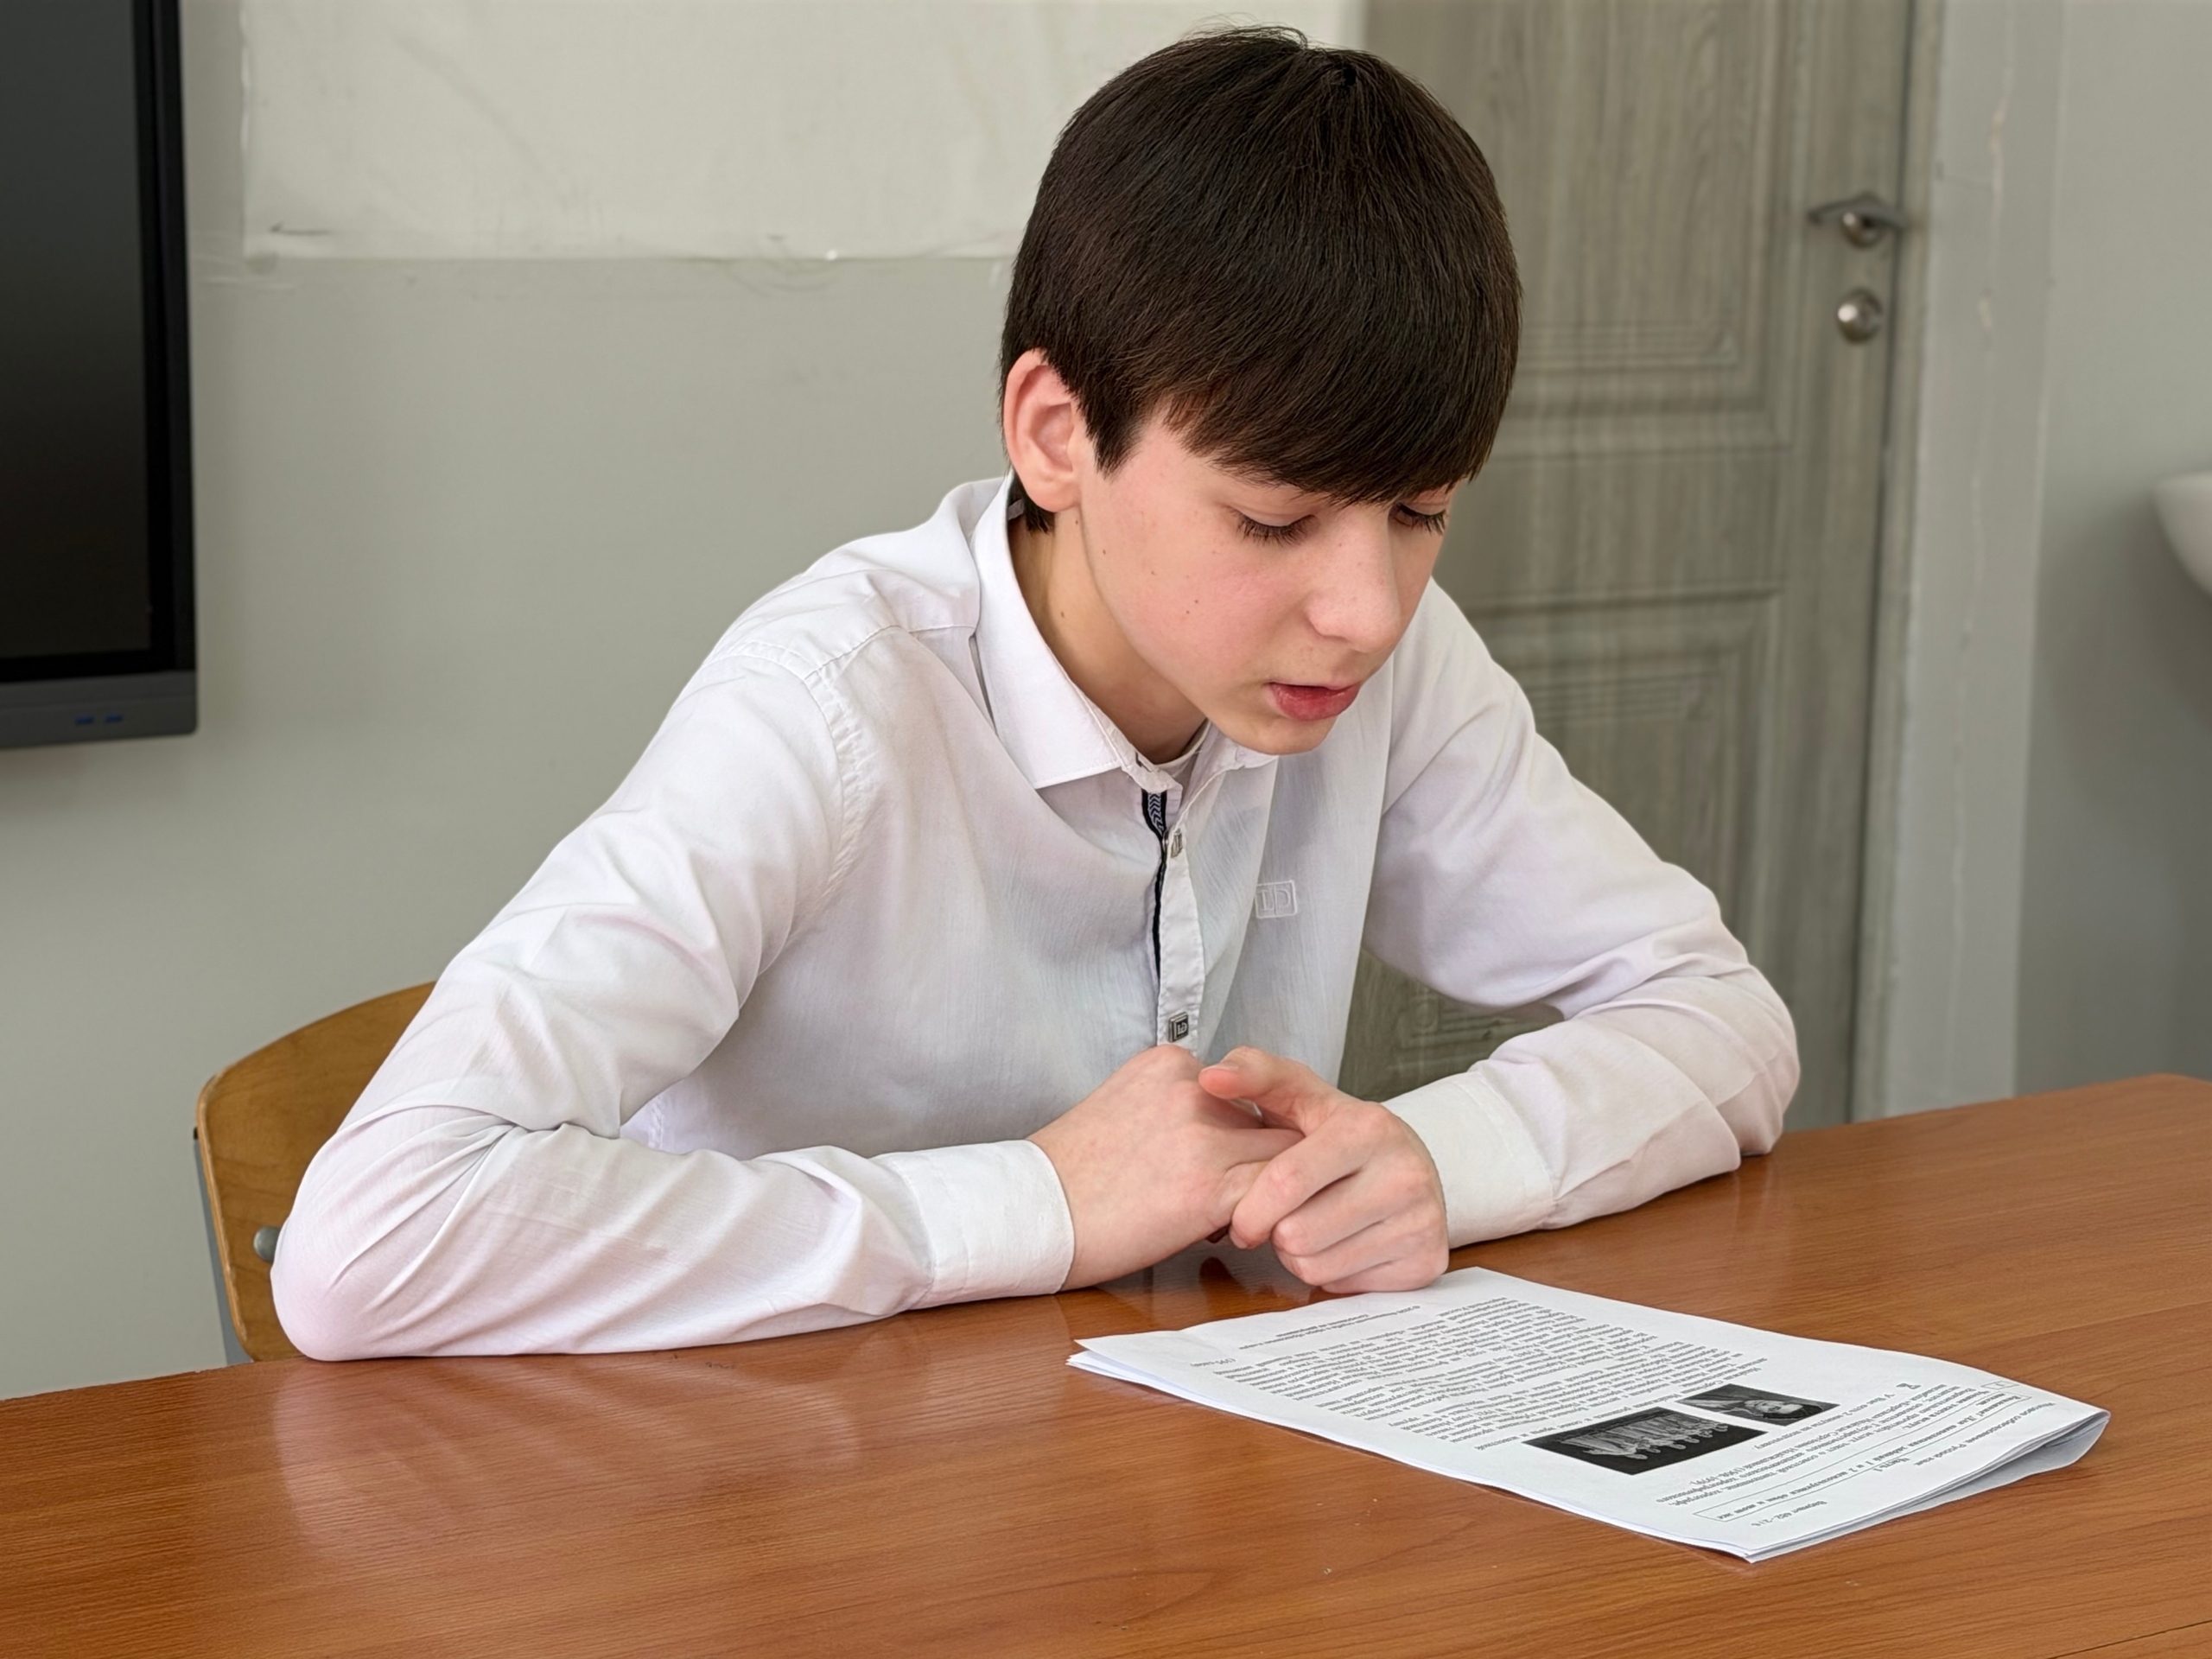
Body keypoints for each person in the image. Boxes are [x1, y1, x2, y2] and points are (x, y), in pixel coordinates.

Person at [273, 27, 1797, 1360]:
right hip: (794, 1496)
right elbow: (371, 1239)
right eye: (1273, 521)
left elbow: (1720, 1016)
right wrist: (1041, 1201)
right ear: (1057, 434)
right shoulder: (827, 711)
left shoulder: (1388, 661)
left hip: (1188, 1482)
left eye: (1422, 512)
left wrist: (1434, 1161)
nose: (1366, 612)